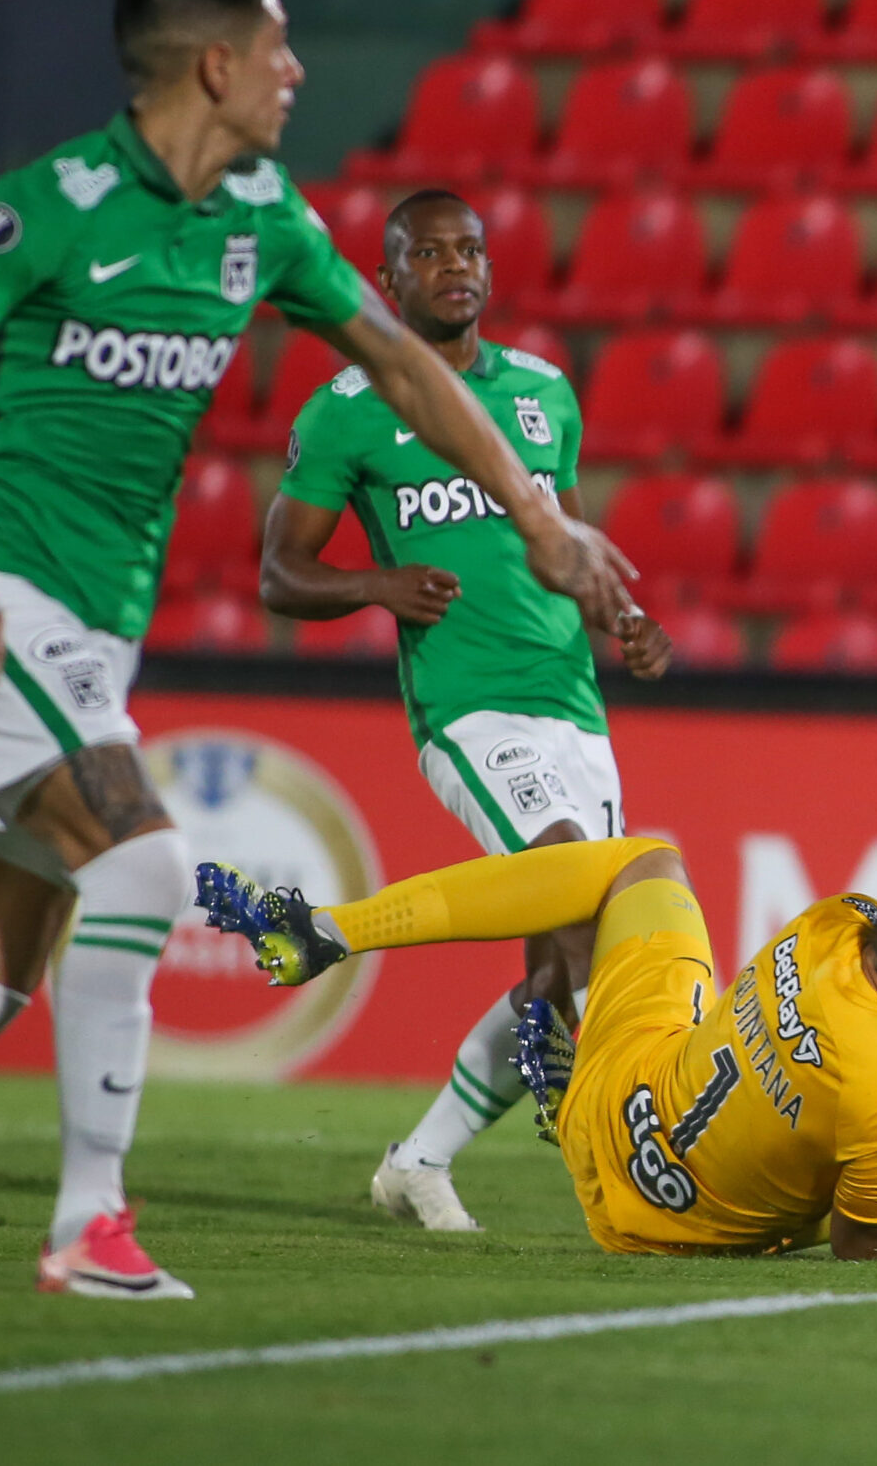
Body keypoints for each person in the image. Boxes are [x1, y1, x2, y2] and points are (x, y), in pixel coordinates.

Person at [0, 0, 635, 1299]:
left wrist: (535, 511)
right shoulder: (60, 199)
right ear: (215, 62)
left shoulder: (262, 217)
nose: (297, 70)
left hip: (87, 640)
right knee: (145, 868)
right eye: (277, 45)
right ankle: (91, 1227)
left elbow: (403, 365)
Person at [262, 188, 669, 1233]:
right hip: (469, 709)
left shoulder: (542, 392)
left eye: (470, 250)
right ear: (387, 278)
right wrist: (376, 586)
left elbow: (568, 543)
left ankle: (419, 1161)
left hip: (573, 706)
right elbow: (278, 571)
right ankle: (646, 1147)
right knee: (580, 895)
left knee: (562, 959)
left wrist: (624, 617)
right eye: (429, 253)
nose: (456, 267)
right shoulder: (347, 409)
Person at [194, 842, 877, 1258]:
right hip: (654, 1225)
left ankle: (334, 929)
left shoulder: (838, 920)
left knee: (641, 862)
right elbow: (865, 1251)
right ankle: (563, 1079)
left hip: (626, 1086)